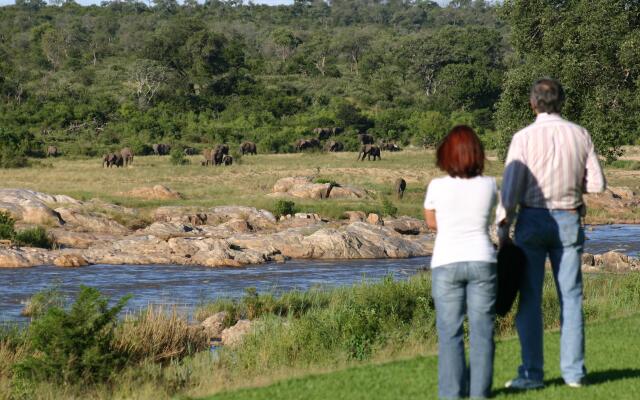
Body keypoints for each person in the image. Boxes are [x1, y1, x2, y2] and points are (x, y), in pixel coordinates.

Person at [497, 78, 606, 390]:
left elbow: (510, 189)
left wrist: (503, 227)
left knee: (529, 299)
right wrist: (573, 185)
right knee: (570, 298)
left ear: (533, 104)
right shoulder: (580, 134)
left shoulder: (523, 138)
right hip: (570, 218)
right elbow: (597, 184)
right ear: (561, 102)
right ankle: (574, 374)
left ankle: (532, 374)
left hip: (531, 217)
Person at [424, 125, 498, 399]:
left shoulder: (436, 186)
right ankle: (480, 393)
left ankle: (451, 394)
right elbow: (499, 217)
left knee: (450, 333)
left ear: (445, 155)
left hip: (446, 260)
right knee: (482, 332)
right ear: (477, 154)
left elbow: (432, 223)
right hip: (482, 259)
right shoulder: (489, 185)